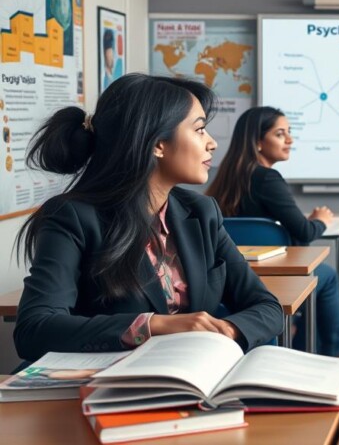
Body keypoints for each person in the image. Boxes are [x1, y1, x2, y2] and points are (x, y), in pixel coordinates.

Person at [14, 75, 282, 362]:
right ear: (157, 144)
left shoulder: (202, 212)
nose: (212, 143)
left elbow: (267, 307)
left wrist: (224, 331)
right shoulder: (72, 216)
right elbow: (35, 330)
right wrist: (153, 325)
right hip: (110, 384)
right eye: (200, 130)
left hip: (193, 371)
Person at [207, 106, 339, 357]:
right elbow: (304, 231)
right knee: (327, 277)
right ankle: (331, 352)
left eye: (289, 133)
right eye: (280, 134)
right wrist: (322, 220)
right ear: (258, 142)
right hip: (278, 276)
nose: (290, 140)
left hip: (234, 279)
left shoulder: (225, 177)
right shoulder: (267, 178)